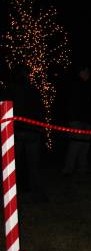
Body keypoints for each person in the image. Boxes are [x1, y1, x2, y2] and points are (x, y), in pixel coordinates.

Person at [4, 65, 48, 202]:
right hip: (31, 131)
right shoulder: (32, 90)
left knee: (14, 164)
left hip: (15, 131)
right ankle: (36, 193)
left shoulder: (8, 90)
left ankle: (16, 192)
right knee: (33, 164)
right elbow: (40, 110)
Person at [63, 65, 91, 175]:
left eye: (88, 71)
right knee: (75, 144)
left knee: (85, 144)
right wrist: (72, 118)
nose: (88, 73)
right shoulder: (74, 84)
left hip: (86, 120)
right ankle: (68, 169)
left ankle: (82, 168)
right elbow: (71, 103)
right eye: (86, 71)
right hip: (76, 120)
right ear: (80, 72)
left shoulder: (88, 86)